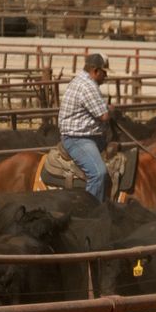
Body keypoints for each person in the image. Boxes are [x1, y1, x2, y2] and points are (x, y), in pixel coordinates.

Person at [58, 52, 117, 202]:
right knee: (98, 173)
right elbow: (103, 116)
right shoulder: (87, 86)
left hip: (87, 135)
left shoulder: (81, 81)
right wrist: (111, 110)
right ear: (95, 71)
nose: (106, 76)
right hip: (78, 138)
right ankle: (92, 210)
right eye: (104, 72)